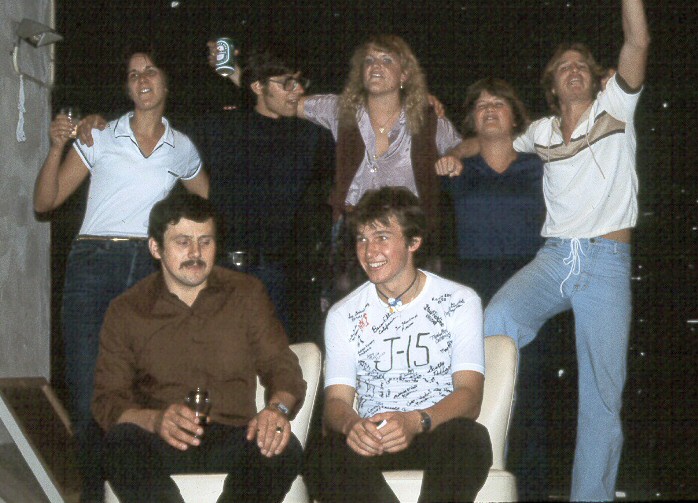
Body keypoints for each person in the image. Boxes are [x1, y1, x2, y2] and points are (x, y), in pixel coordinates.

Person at [438, 1, 650, 500]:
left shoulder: (615, 109)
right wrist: (453, 153)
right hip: (554, 260)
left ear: (597, 79)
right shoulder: (540, 133)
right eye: (563, 67)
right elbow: (488, 137)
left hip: (606, 264)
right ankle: (478, 464)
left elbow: (637, 41)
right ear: (551, 86)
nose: (573, 70)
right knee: (493, 324)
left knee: (601, 397)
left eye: (582, 66)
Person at [34, 49, 209, 501]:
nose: (142, 79)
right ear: (127, 87)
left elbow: (204, 203)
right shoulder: (100, 135)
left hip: (147, 269)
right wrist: (57, 147)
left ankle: (135, 489)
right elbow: (45, 202)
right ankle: (93, 494)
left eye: (150, 70)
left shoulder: (181, 147)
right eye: (133, 74)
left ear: (166, 82)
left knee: (141, 389)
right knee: (87, 390)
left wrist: (181, 248)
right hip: (93, 265)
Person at [92, 193, 306, 503]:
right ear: (156, 248)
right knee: (119, 443)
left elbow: (282, 368)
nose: (196, 253)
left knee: (283, 447)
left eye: (205, 242)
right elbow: (108, 400)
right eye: (182, 242)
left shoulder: (246, 294)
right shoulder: (127, 310)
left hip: (235, 435)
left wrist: (276, 410)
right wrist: (155, 420)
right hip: (161, 437)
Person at [312, 186, 492, 503]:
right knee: (323, 454)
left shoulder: (459, 301)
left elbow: (469, 395)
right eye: (362, 239)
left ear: (413, 241)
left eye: (382, 237)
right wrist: (353, 425)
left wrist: (414, 421)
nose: (369, 251)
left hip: (432, 430)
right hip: (373, 439)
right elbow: (336, 402)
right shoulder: (343, 314)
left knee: (470, 438)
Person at [445, 78, 549, 500]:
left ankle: (532, 490)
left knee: (530, 391)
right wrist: (454, 154)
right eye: (481, 105)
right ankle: (479, 488)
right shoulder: (456, 169)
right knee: (473, 387)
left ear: (516, 116)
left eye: (499, 103)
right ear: (471, 119)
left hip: (530, 282)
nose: (489, 109)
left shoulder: (541, 165)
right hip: (472, 285)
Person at [297, 34, 463, 298]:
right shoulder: (340, 109)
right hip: (353, 233)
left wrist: (453, 157)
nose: (375, 66)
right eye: (369, 60)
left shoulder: (427, 119)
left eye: (386, 60)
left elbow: (460, 146)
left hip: (407, 234)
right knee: (350, 307)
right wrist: (241, 77)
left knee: (411, 307)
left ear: (404, 75)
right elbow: (285, 102)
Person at [189, 45, 331, 336]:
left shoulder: (308, 135)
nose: (298, 90)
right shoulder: (222, 127)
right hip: (221, 268)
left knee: (272, 358)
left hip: (275, 275)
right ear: (257, 87)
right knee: (217, 355)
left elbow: (351, 109)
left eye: (300, 81)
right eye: (288, 83)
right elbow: (166, 142)